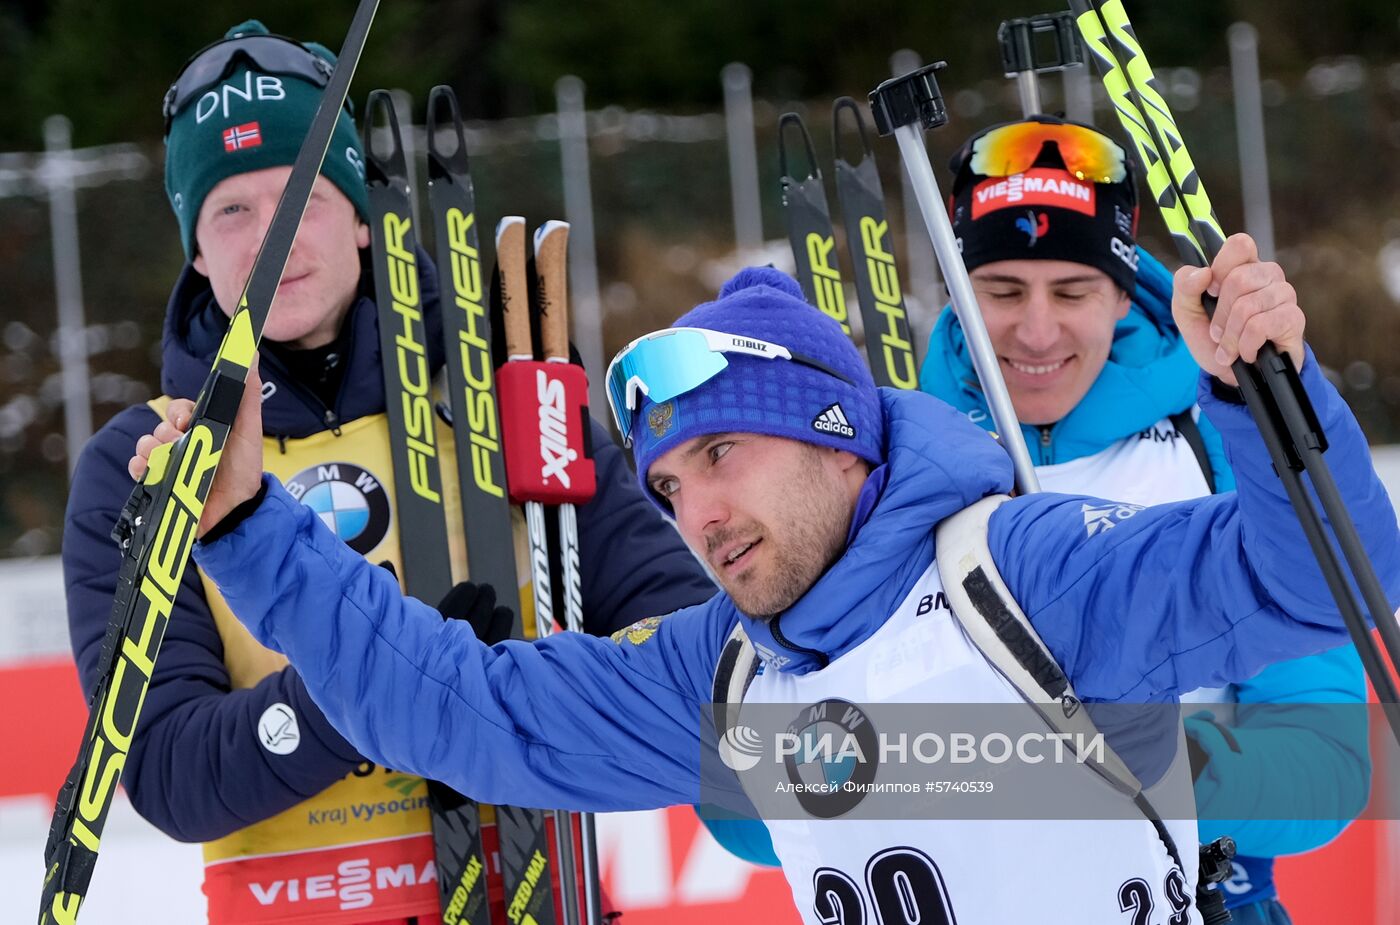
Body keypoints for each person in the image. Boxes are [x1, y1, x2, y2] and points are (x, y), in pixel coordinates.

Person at [134, 248, 1399, 924]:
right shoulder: (727, 664)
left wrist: (1257, 390)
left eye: (722, 456)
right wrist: (251, 527)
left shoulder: (1025, 570)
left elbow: (1313, 585)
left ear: (836, 432)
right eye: (671, 485)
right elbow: (463, 712)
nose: (698, 515)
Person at [61, 20, 714, 925]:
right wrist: (391, 682)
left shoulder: (501, 390)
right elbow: (168, 771)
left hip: (524, 888)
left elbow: (687, 653)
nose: (269, 239)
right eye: (231, 212)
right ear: (197, 252)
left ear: (364, 220)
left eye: (300, 199)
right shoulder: (150, 461)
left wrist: (508, 692)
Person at [707, 115, 1371, 925]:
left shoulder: (1219, 440)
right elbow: (736, 798)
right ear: (955, 287)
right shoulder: (872, 471)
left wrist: (1131, 764)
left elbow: (1328, 760)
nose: (1037, 330)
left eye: (1073, 290)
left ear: (1124, 290)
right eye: (1002, 290)